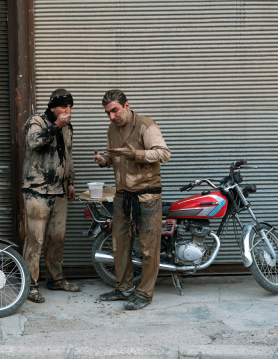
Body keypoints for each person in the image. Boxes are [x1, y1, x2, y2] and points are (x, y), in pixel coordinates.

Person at [94, 89, 170, 310]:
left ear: (127, 106)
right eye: (107, 113)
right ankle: (124, 288)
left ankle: (145, 293)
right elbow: (115, 154)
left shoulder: (145, 125)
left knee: (148, 248)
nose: (111, 117)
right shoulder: (112, 128)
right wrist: (104, 160)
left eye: (115, 111)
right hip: (122, 197)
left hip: (147, 197)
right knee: (119, 245)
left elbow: (164, 154)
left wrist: (136, 154)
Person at [22, 88, 81, 303]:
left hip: (59, 191)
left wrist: (71, 182)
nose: (68, 110)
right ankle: (30, 284)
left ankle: (55, 279)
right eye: (64, 107)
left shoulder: (68, 127)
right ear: (53, 107)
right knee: (35, 239)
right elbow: (33, 142)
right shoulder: (37, 121)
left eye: (70, 107)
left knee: (57, 238)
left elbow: (69, 155)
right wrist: (56, 126)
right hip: (37, 190)